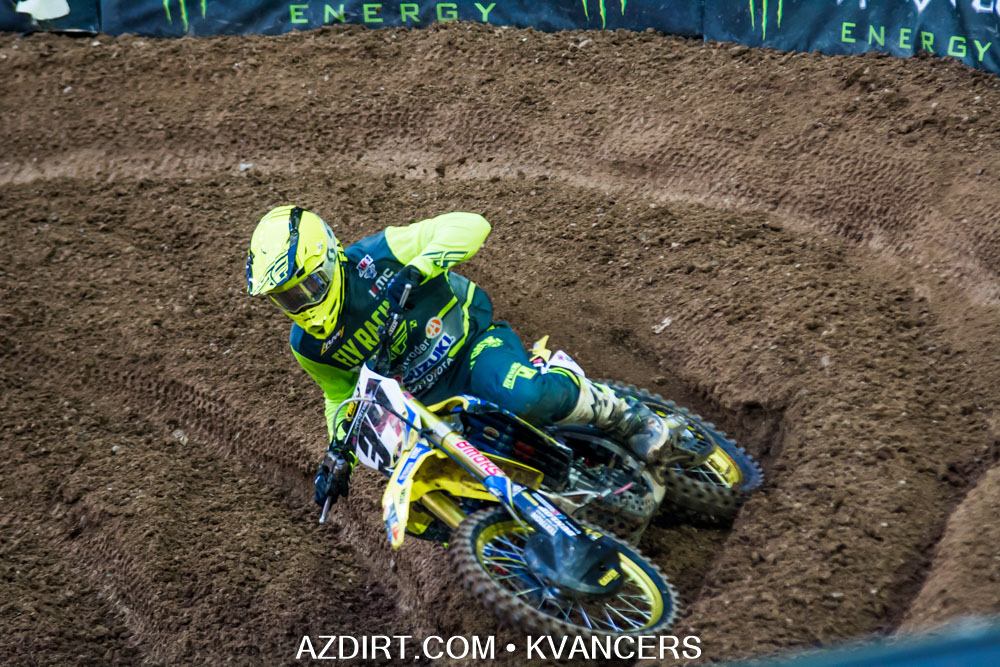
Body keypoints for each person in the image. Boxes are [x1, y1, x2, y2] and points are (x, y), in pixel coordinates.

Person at [245, 206, 676, 508]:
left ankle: (626, 416)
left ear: (327, 259)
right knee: (428, 489)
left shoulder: (379, 255)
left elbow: (471, 225)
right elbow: (341, 397)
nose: (302, 303)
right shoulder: (308, 347)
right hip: (426, 407)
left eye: (308, 285)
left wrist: (418, 268)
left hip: (470, 348)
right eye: (287, 298)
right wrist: (341, 454)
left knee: (523, 395)